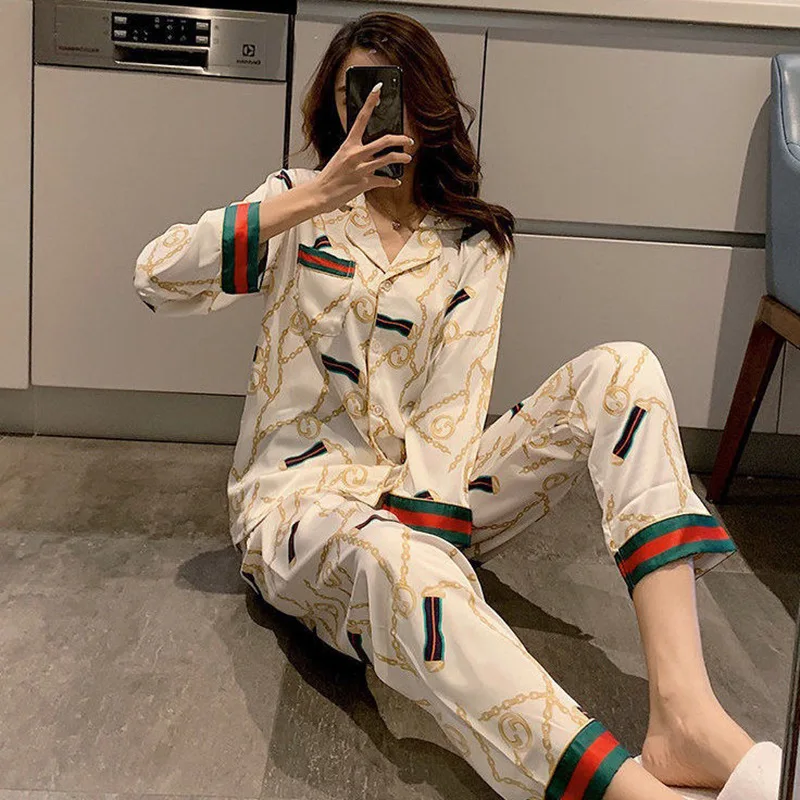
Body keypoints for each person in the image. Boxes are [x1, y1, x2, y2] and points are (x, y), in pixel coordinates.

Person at [134, 12, 781, 800]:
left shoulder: (474, 243)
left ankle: (686, 712)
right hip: (301, 505)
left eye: (394, 93)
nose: (376, 112)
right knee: (398, 562)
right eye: (357, 94)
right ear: (336, 106)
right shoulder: (297, 206)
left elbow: (453, 409)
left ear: (429, 104)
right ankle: (628, 794)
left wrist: (431, 556)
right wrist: (315, 194)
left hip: (428, 492)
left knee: (625, 371)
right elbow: (156, 276)